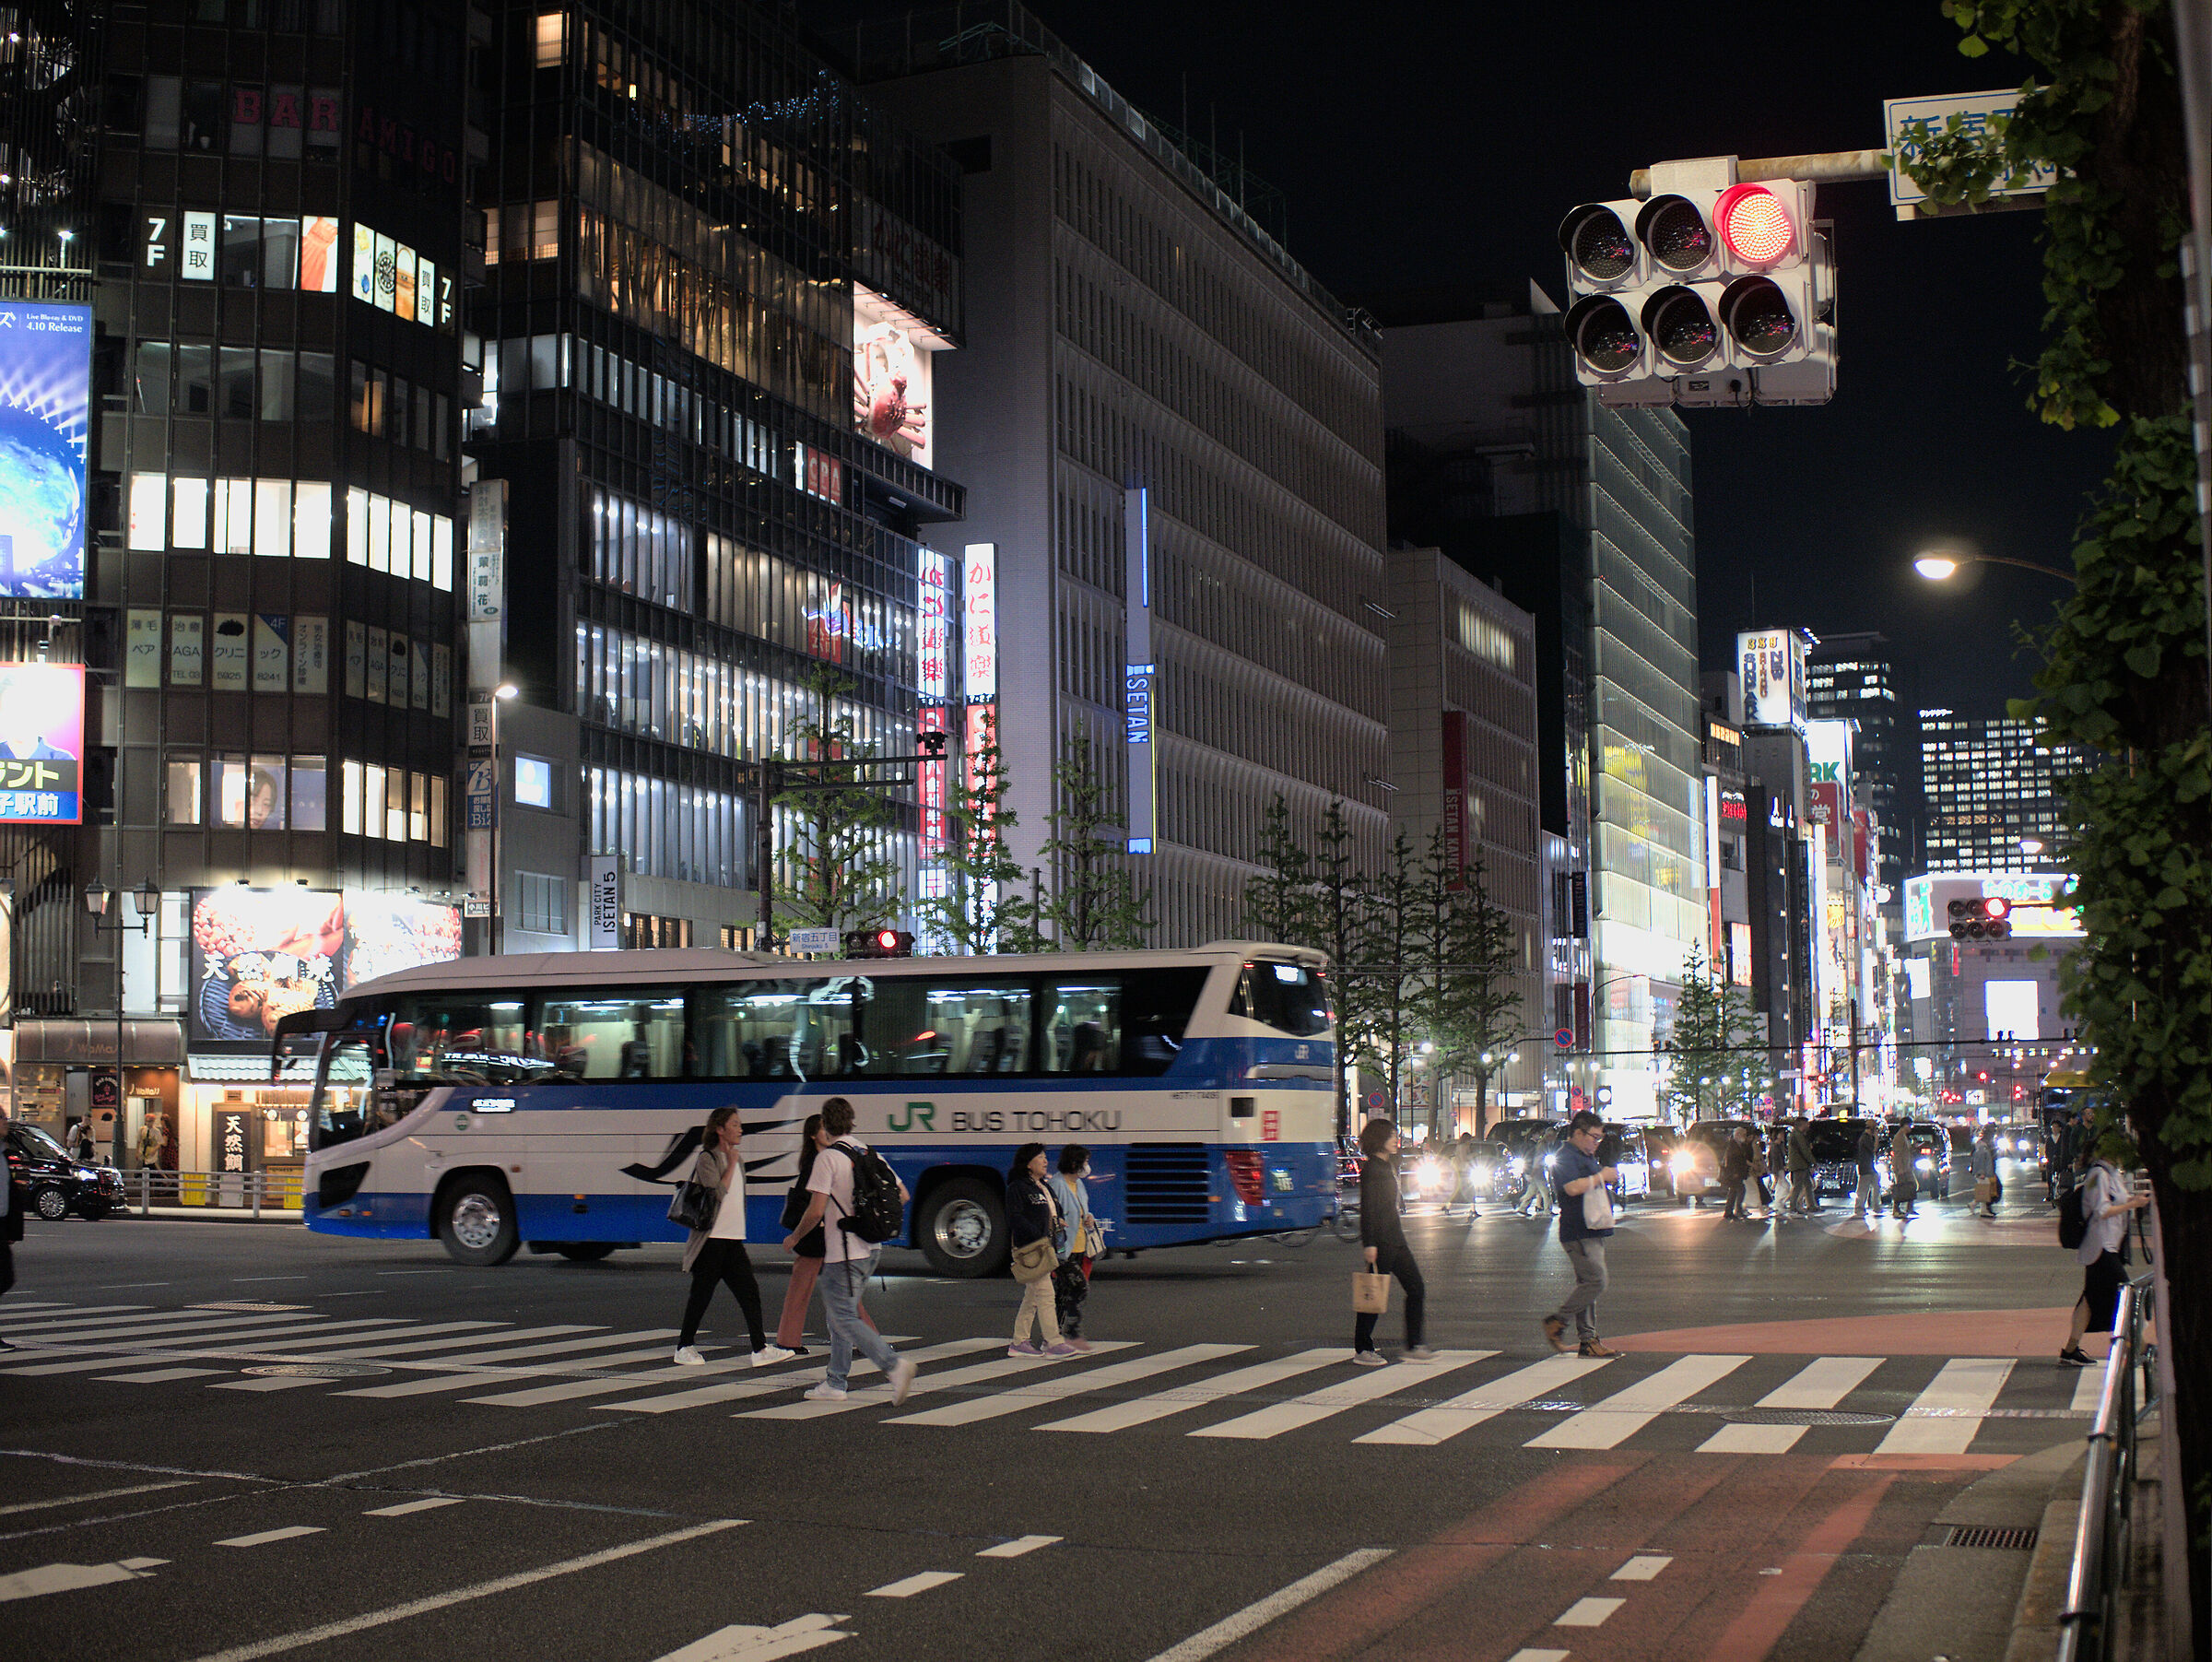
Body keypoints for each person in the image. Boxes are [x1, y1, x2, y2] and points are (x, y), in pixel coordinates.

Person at [782, 1098, 916, 1403]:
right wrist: (866, 1221)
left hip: (843, 1253)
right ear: (852, 1121)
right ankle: (836, 1382)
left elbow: (816, 1211)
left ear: (825, 1125)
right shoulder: (869, 1152)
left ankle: (894, 1366)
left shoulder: (828, 1158)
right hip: (872, 1248)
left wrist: (794, 1237)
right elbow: (902, 1195)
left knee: (843, 1317)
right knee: (838, 1316)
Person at [671, 1106, 794, 1370]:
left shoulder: (737, 1159)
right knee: (701, 1295)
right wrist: (730, 1162)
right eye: (735, 1124)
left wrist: (734, 1160)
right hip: (711, 1241)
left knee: (749, 1292)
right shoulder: (708, 1158)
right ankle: (684, 1346)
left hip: (732, 1239)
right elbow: (717, 1193)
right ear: (720, 1129)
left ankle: (760, 1349)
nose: (740, 1129)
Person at [774, 1113, 878, 1353]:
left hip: (826, 1236)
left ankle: (788, 1341)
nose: (828, 1132)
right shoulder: (819, 1162)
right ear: (813, 1135)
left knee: (816, 1290)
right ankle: (865, 1339)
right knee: (835, 1291)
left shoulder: (829, 1159)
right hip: (818, 1236)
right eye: (823, 1129)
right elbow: (809, 1204)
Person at [2060, 1144, 2148, 1365]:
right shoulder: (2098, 1175)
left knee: (2089, 1300)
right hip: (2100, 1247)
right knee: (2128, 1293)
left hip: (2108, 1247)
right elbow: (2102, 1210)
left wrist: (2134, 1201)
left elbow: (2115, 1202)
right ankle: (2142, 1345)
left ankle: (2070, 1350)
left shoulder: (2110, 1174)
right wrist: (2133, 1204)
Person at [1541, 1110, 1619, 1359]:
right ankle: (1558, 1321)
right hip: (1578, 1230)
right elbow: (1572, 1188)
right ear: (1578, 1133)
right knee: (1597, 1281)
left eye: (1599, 1138)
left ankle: (1589, 1340)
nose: (1596, 1143)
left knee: (1588, 1284)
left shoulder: (1583, 1155)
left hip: (1590, 1228)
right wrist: (1601, 1177)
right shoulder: (1566, 1156)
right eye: (1594, 1137)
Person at [1354, 1117, 1430, 1366]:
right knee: (1373, 1296)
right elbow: (1369, 1210)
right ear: (1379, 1139)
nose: (1396, 1140)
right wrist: (1370, 1244)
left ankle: (1414, 1344)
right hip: (1382, 1242)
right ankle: (1363, 1349)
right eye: (1391, 1136)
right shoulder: (1372, 1170)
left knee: (1416, 1288)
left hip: (1397, 1240)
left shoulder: (1388, 1166)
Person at [1006, 1144, 1078, 1357]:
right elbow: (1015, 1217)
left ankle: (1019, 1342)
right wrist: (1037, 1234)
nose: (1046, 1161)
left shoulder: (1043, 1186)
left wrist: (1058, 1223)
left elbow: (1050, 1212)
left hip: (1046, 1246)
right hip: (1030, 1248)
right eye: (1041, 1157)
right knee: (1046, 1293)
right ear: (1028, 1163)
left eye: (1046, 1157)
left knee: (1033, 1296)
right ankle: (1053, 1341)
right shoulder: (1018, 1187)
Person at [1048, 1145, 1099, 1351]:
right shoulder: (1057, 1184)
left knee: (1063, 1293)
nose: (1087, 1167)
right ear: (1074, 1162)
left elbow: (1081, 1212)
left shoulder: (1079, 1185)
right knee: (1080, 1288)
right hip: (1063, 1250)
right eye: (1084, 1162)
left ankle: (1054, 1335)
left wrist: (1089, 1219)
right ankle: (1071, 1332)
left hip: (1079, 1247)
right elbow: (1051, 1216)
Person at [0, 1108, 21, 1350]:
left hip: (1, 1224)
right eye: (3, 1119)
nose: (6, 1123)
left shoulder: (3, 1154)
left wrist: (11, 1229)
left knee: (5, 1277)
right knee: (3, 1277)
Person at [1721, 1126, 1754, 1220]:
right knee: (1740, 1190)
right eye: (1743, 1134)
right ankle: (1737, 1211)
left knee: (1733, 1191)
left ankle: (1729, 1212)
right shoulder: (1733, 1145)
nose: (1745, 1136)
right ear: (1738, 1135)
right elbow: (1732, 1160)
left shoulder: (1739, 1145)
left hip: (1737, 1173)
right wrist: (1734, 1172)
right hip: (1734, 1173)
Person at [1784, 1118, 1817, 1216]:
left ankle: (1811, 1205)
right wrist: (1813, 1161)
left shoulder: (1797, 1134)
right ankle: (1793, 1207)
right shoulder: (1798, 1135)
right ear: (1802, 1125)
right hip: (1799, 1165)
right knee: (1798, 1187)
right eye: (1807, 1124)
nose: (1808, 1126)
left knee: (1808, 1185)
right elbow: (1804, 1150)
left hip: (1801, 1164)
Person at [1971, 1125, 2002, 1220]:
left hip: (1988, 1170)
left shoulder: (1987, 1144)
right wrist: (1981, 1172)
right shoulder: (1982, 1145)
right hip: (1983, 1170)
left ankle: (1978, 1206)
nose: (1993, 1135)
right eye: (1992, 1132)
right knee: (1986, 1188)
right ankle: (1983, 1209)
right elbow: (1980, 1159)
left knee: (1986, 1188)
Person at [1888, 1125, 1918, 1219]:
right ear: (1905, 1125)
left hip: (1906, 1166)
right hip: (1901, 1167)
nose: (1911, 1128)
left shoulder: (1903, 1136)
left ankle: (1909, 1207)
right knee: (1901, 1187)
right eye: (1910, 1125)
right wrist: (1900, 1168)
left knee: (1912, 1185)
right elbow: (1898, 1154)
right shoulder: (1899, 1137)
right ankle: (1896, 1209)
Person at [1853, 1122, 1881, 1220]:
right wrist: (1877, 1138)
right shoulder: (1865, 1138)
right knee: (1863, 1189)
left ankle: (1876, 1206)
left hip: (1869, 1167)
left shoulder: (1866, 1137)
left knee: (1876, 1186)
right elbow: (1874, 1149)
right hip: (1865, 1167)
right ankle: (1859, 1208)